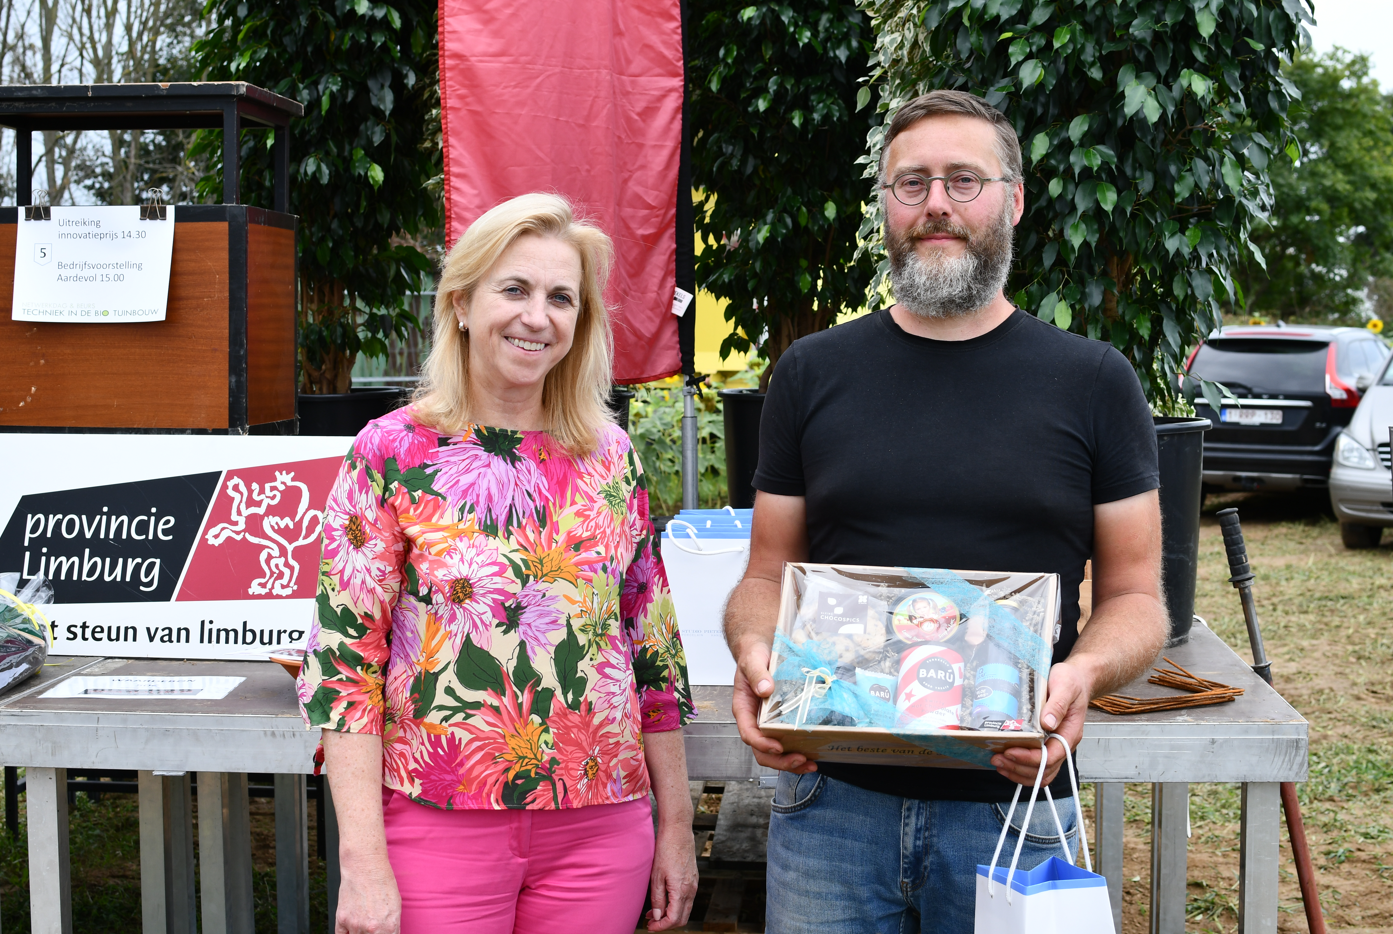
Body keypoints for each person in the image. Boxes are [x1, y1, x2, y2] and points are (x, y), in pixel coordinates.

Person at [723, 90, 1170, 933]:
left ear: (1014, 199)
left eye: (964, 180)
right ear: (884, 205)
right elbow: (765, 575)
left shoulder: (1094, 382)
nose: (935, 203)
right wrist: (755, 653)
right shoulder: (811, 373)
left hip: (1015, 804)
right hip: (829, 804)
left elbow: (1137, 599)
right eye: (911, 182)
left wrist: (1082, 675)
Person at [296, 192, 699, 934]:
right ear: (460, 303)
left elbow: (651, 652)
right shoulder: (392, 454)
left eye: (560, 298)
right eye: (513, 289)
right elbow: (344, 668)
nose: (536, 316)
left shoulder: (611, 457)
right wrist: (361, 860)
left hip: (601, 831)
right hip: (437, 823)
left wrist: (675, 826)